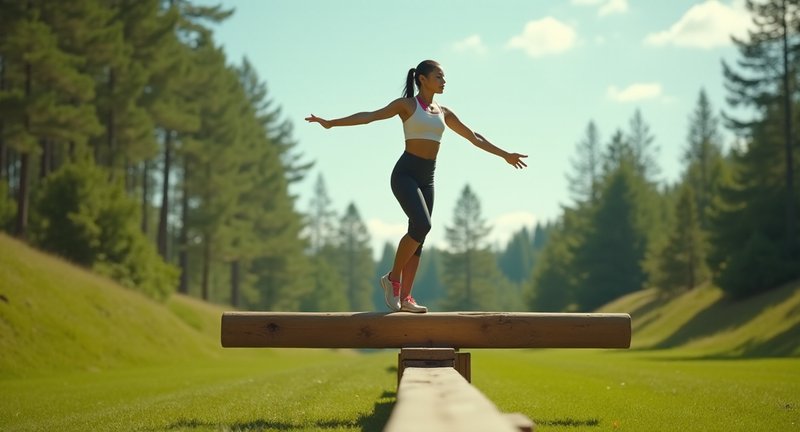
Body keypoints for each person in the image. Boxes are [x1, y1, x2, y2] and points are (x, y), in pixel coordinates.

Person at [306, 59, 527, 313]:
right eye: (439, 77)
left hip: (427, 178)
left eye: (444, 78)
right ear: (422, 79)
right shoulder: (407, 105)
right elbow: (370, 116)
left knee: (419, 236)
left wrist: (505, 154)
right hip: (405, 174)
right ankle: (393, 279)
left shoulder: (444, 112)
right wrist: (331, 123)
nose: (444, 81)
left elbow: (473, 137)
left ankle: (406, 298)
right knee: (422, 224)